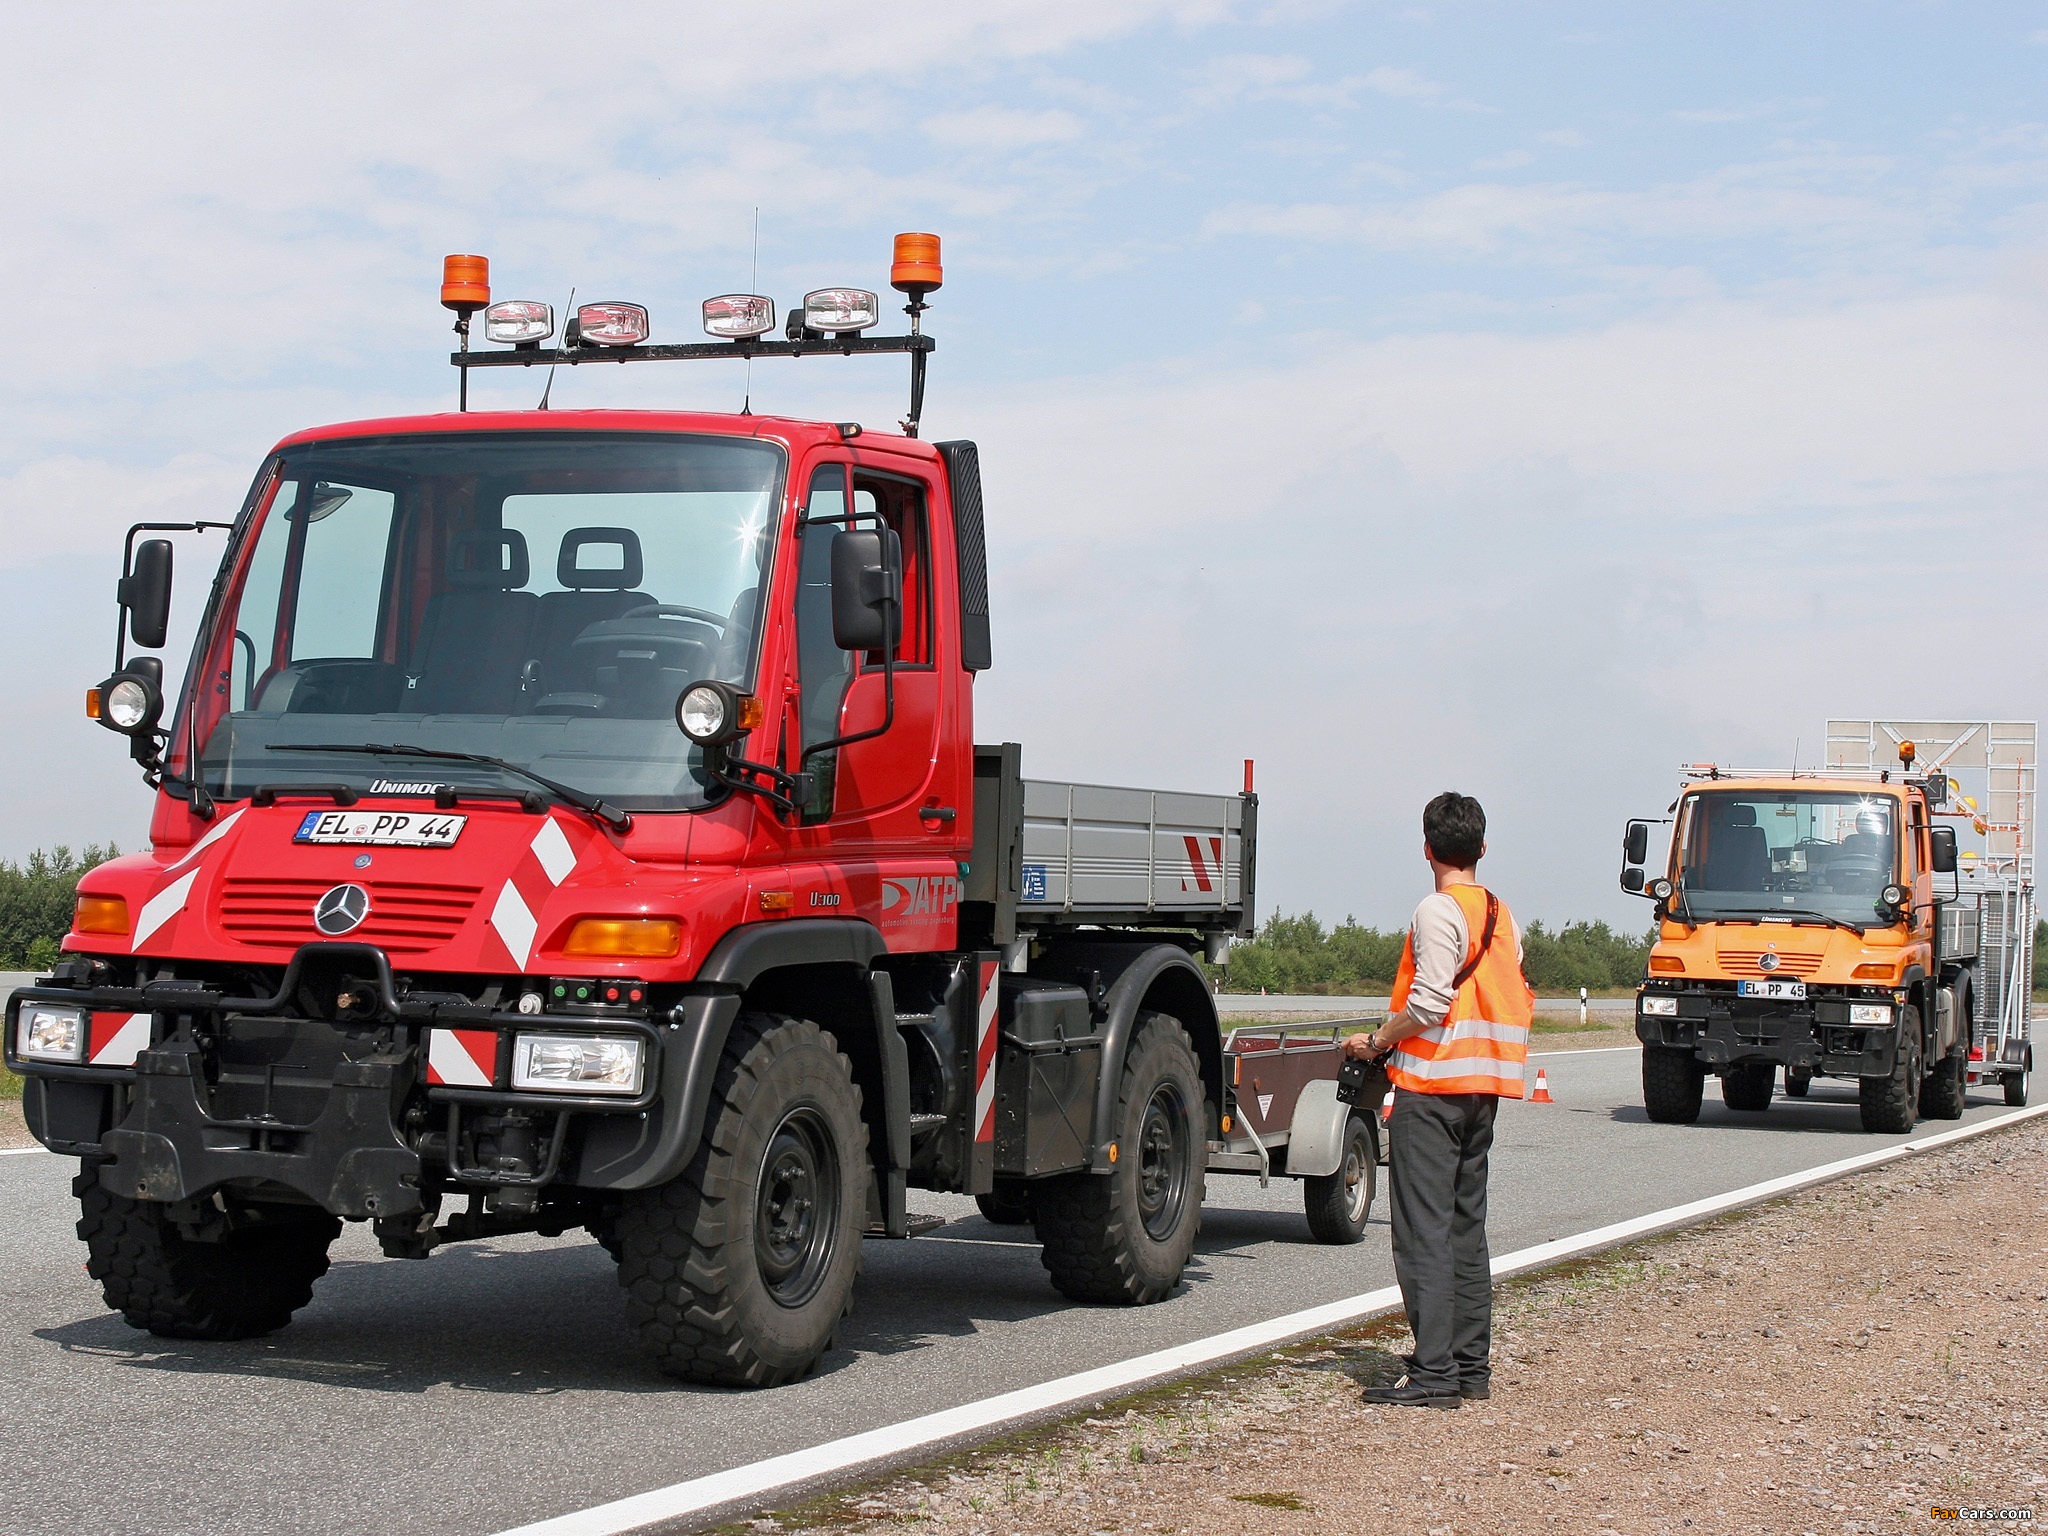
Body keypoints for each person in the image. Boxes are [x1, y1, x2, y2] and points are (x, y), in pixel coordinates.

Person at [1343, 791, 1535, 1410]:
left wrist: (1376, 1041)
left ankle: (1433, 1375)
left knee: (1423, 1232)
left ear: (1427, 849)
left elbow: (1428, 1003)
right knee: (1464, 1229)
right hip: (1485, 1089)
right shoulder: (1503, 915)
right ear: (1481, 848)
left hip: (1432, 1090)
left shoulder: (1437, 910)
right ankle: (1470, 1368)